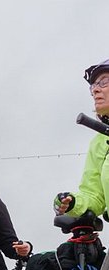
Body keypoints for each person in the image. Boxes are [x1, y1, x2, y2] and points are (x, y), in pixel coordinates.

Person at [54, 58, 109, 217]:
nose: (95, 90)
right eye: (94, 86)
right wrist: (73, 202)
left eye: (104, 82)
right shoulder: (100, 142)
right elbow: (95, 196)